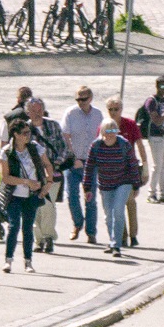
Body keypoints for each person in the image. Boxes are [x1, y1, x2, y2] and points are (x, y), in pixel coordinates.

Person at [82, 118, 143, 258]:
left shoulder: (124, 144)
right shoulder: (96, 146)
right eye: (107, 131)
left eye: (113, 131)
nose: (110, 134)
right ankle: (112, 240)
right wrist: (87, 188)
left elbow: (133, 164)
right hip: (105, 184)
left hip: (123, 182)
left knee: (118, 211)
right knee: (109, 214)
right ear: (102, 132)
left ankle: (117, 245)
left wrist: (135, 185)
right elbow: (89, 167)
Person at [0, 121, 50, 274]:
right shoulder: (7, 152)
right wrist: (26, 181)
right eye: (24, 133)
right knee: (13, 227)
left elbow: (48, 164)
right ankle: (8, 260)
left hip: (31, 196)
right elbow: (5, 178)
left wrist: (49, 182)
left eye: (29, 132)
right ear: (16, 134)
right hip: (14, 195)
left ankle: (28, 261)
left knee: (28, 228)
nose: (28, 135)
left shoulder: (35, 148)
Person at [22, 97, 69, 252]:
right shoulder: (24, 130)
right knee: (34, 207)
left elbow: (63, 148)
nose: (37, 113)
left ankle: (48, 237)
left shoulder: (53, 125)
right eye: (33, 110)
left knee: (48, 205)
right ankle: (39, 239)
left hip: (52, 174)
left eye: (39, 110)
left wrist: (56, 163)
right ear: (27, 112)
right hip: (32, 176)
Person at [61, 86, 104, 243]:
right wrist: (73, 158)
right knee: (72, 195)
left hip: (91, 162)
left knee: (90, 198)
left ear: (90, 98)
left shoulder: (98, 114)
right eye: (78, 99)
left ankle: (91, 232)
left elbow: (102, 137)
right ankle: (77, 223)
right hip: (74, 161)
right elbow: (65, 137)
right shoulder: (70, 113)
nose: (80, 102)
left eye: (83, 99)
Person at [108, 97, 145, 244]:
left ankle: (133, 235)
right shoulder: (105, 126)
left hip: (129, 169)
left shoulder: (129, 124)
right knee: (117, 205)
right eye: (110, 109)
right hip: (111, 170)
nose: (113, 112)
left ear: (121, 109)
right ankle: (121, 235)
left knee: (130, 202)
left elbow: (140, 144)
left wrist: (145, 165)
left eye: (116, 109)